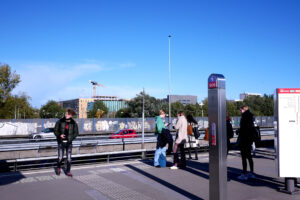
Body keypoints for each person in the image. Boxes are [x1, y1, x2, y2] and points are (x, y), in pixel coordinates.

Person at [54, 108, 79, 177]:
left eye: (69, 114)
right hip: (61, 142)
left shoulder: (73, 123)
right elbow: (55, 130)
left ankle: (68, 171)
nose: (67, 115)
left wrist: (70, 138)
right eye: (67, 113)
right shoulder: (59, 121)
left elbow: (76, 133)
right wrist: (59, 135)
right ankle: (58, 168)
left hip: (69, 143)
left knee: (69, 158)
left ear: (71, 115)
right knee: (60, 158)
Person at [237, 105, 255, 180]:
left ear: (244, 110)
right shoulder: (250, 117)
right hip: (249, 139)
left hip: (244, 139)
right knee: (249, 157)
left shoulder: (244, 117)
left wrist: (238, 131)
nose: (240, 111)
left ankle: (244, 174)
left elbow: (244, 129)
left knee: (244, 157)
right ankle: (251, 173)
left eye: (241, 110)